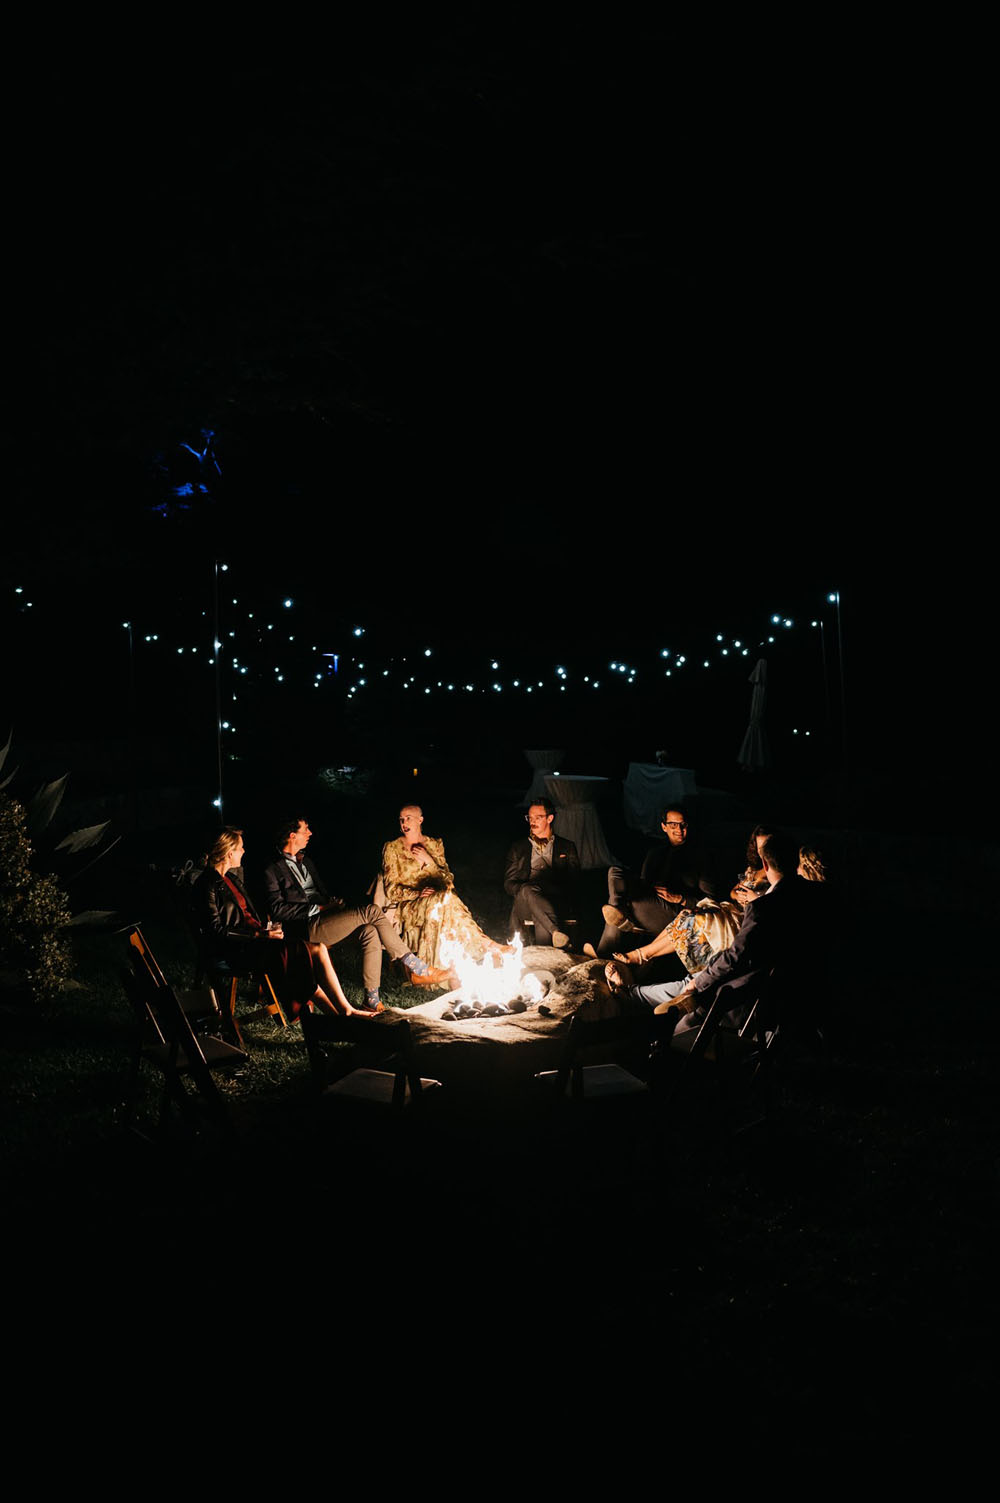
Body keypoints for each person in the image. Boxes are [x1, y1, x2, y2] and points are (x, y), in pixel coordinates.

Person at [607, 832, 824, 1037]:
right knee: (698, 966)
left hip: (753, 998)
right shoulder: (818, 898)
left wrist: (700, 984)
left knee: (687, 1005)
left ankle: (632, 996)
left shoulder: (763, 907)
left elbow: (736, 957)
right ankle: (635, 991)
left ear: (766, 865)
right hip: (795, 992)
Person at [262, 816, 452, 1008]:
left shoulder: (307, 862)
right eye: (306, 830)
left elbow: (319, 894)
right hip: (304, 928)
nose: (310, 833)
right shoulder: (272, 869)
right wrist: (317, 908)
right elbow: (278, 910)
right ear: (293, 836)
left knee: (369, 931)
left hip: (325, 919)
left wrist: (332, 904)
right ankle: (416, 967)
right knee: (371, 911)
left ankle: (371, 1000)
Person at [194, 826, 374, 1017]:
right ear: (229, 853)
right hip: (237, 949)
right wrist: (257, 934)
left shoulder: (230, 878)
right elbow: (215, 930)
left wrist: (264, 930)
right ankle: (342, 1014)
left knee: (319, 949)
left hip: (256, 941)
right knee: (300, 956)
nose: (244, 851)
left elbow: (246, 914)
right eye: (240, 848)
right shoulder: (208, 884)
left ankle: (344, 1011)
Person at [380, 804, 503, 969]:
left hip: (439, 899)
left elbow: (447, 881)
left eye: (408, 818)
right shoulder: (392, 848)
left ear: (420, 820)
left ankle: (447, 966)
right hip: (411, 904)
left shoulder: (434, 845)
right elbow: (391, 889)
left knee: (444, 900)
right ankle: (486, 944)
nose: (404, 823)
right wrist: (417, 893)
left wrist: (429, 861)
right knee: (447, 900)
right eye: (401, 819)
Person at [595, 806, 718, 956]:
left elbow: (711, 901)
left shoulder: (700, 856)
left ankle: (603, 953)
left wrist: (679, 898)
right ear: (664, 827)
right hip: (651, 903)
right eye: (673, 825)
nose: (679, 829)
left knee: (631, 904)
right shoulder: (655, 853)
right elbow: (643, 883)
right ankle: (618, 909)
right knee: (615, 871)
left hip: (676, 913)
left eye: (683, 825)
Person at [503, 798, 580, 947]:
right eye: (530, 818)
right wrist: (530, 889)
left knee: (540, 910)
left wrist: (548, 888)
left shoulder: (566, 847)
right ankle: (555, 932)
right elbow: (509, 884)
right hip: (524, 901)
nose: (533, 822)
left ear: (550, 818)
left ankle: (546, 955)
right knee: (528, 891)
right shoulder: (518, 848)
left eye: (538, 818)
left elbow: (574, 881)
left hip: (554, 899)